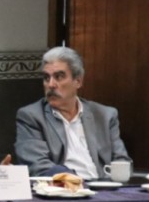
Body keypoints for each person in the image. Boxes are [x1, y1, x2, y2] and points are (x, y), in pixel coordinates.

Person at [15, 46, 131, 178]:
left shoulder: (105, 115)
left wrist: (111, 184)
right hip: (62, 186)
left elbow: (122, 161)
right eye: (46, 78)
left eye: (59, 77)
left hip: (103, 186)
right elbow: (38, 165)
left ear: (78, 81)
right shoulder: (31, 116)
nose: (51, 84)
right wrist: (76, 180)